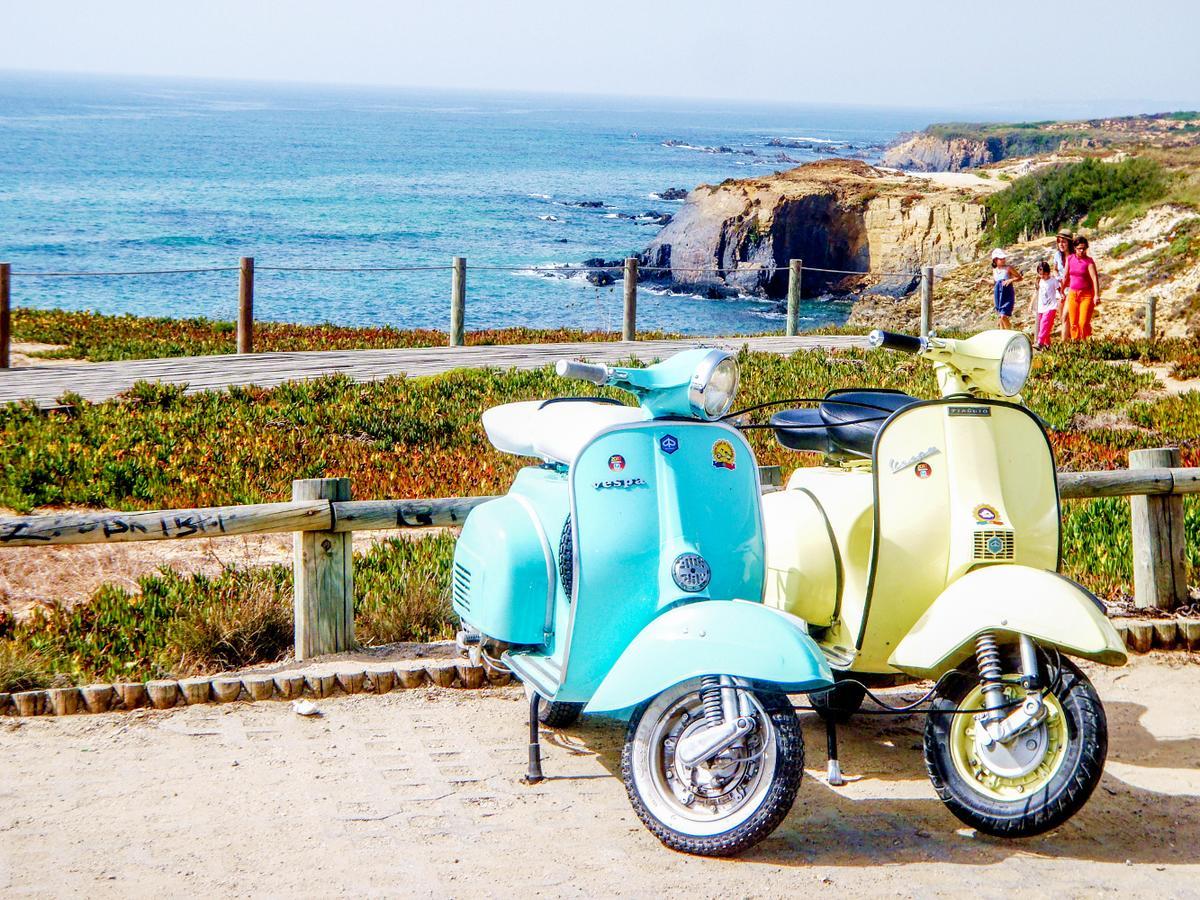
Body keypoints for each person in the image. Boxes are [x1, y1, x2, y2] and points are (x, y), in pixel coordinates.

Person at [1063, 236, 1100, 340]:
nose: (1082, 250)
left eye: (1084, 248)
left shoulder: (1089, 261)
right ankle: (1076, 343)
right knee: (1073, 323)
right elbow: (1065, 276)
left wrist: (1096, 295)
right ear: (1075, 248)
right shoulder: (1069, 259)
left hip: (1086, 295)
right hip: (1073, 294)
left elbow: (1094, 278)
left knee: (1083, 323)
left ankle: (1085, 343)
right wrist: (1061, 290)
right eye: (1080, 248)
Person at [1029, 261, 1060, 350]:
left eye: (1044, 274)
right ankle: (1048, 346)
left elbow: (1059, 289)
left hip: (1051, 307)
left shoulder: (1053, 280)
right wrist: (1031, 304)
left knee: (1044, 324)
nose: (1042, 276)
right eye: (1040, 274)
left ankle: (1040, 342)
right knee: (1041, 326)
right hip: (1041, 307)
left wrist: (1061, 296)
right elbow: (1036, 292)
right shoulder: (1039, 281)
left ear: (1048, 272)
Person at [990, 248, 1022, 330]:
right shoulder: (994, 270)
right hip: (998, 294)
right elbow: (995, 282)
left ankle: (1009, 331)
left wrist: (1010, 280)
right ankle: (1002, 333)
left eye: (1004, 258)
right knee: (1000, 316)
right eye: (1001, 259)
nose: (1003, 260)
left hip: (1007, 293)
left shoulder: (1008, 268)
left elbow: (1019, 277)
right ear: (995, 260)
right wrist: (983, 281)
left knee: (1003, 315)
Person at [1053, 230, 1072, 340]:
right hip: (1060, 288)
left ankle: (1065, 341)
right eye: (1059, 241)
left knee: (1067, 316)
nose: (1061, 244)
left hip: (1070, 288)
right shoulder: (1057, 255)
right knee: (1062, 317)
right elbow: (1054, 269)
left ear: (1069, 242)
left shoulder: (1074, 256)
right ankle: (1068, 340)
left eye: (1063, 241)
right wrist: (1058, 278)